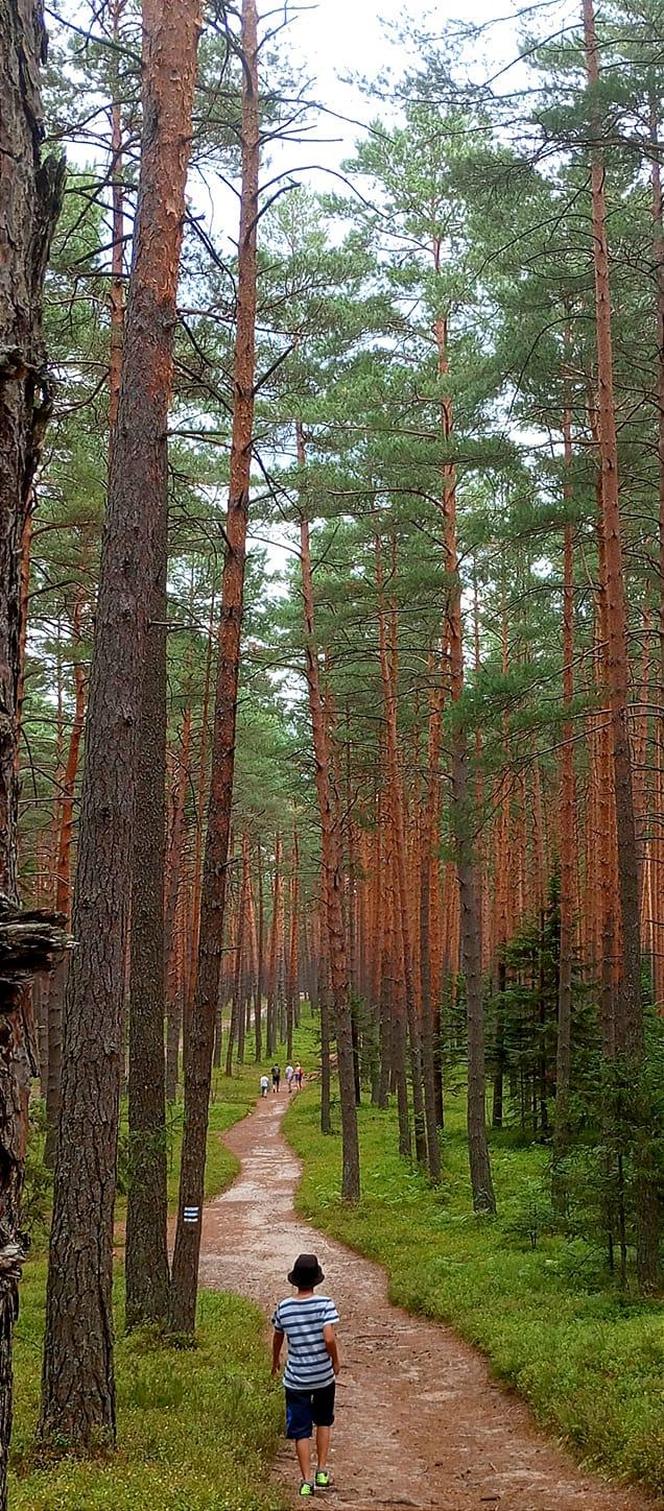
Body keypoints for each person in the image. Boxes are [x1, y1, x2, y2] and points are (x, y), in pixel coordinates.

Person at [271, 1253, 340, 1498]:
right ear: (316, 1279)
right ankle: (322, 1470)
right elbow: (329, 1337)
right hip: (322, 1377)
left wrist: (275, 1359)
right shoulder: (325, 1304)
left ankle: (306, 1481)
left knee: (300, 1430)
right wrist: (335, 1360)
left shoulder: (284, 1307)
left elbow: (278, 1335)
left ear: (295, 1280)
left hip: (296, 1379)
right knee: (323, 1421)